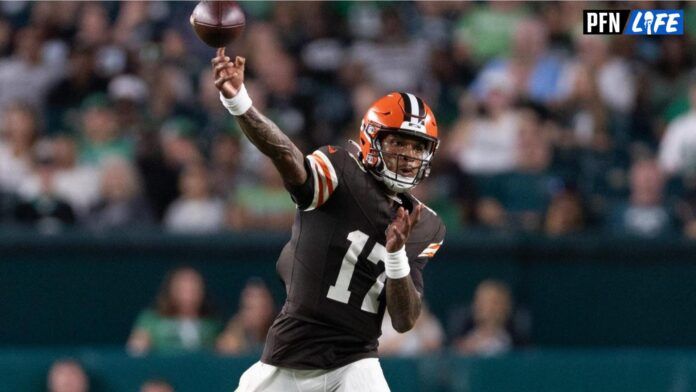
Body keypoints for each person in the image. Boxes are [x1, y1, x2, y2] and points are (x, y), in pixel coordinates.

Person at [212, 48, 446, 391]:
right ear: (371, 139)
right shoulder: (340, 170)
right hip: (291, 355)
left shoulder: (426, 225)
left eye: (417, 147)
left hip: (356, 361)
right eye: (398, 142)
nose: (409, 156)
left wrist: (396, 256)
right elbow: (287, 157)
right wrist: (240, 103)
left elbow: (404, 319)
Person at [126, 266, 222, 355]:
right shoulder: (151, 321)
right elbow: (136, 350)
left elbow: (227, 351)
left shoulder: (212, 325)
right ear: (171, 290)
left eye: (193, 290)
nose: (188, 296)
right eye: (182, 290)